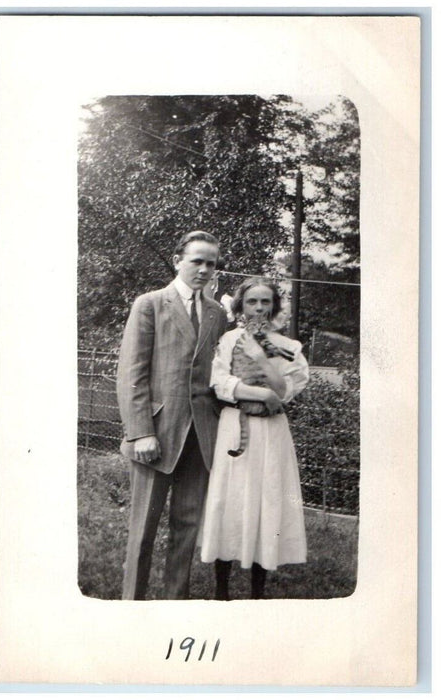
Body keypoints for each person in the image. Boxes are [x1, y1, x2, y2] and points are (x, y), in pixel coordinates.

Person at [117, 231, 227, 600]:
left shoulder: (217, 313)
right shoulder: (150, 304)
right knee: (143, 529)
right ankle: (131, 606)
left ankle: (174, 606)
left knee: (188, 527)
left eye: (211, 263)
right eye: (197, 261)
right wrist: (140, 433)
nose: (204, 269)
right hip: (158, 434)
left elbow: (216, 372)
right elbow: (132, 373)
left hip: (202, 436)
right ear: (178, 259)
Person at [200, 277, 309, 600]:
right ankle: (221, 591)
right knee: (229, 499)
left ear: (274, 306)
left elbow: (285, 392)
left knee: (267, 498)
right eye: (252, 302)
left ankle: (257, 593)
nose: (259, 308)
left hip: (270, 432)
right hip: (235, 427)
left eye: (265, 302)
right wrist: (259, 391)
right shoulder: (229, 339)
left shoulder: (288, 347)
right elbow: (219, 382)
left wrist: (261, 360)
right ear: (240, 306)